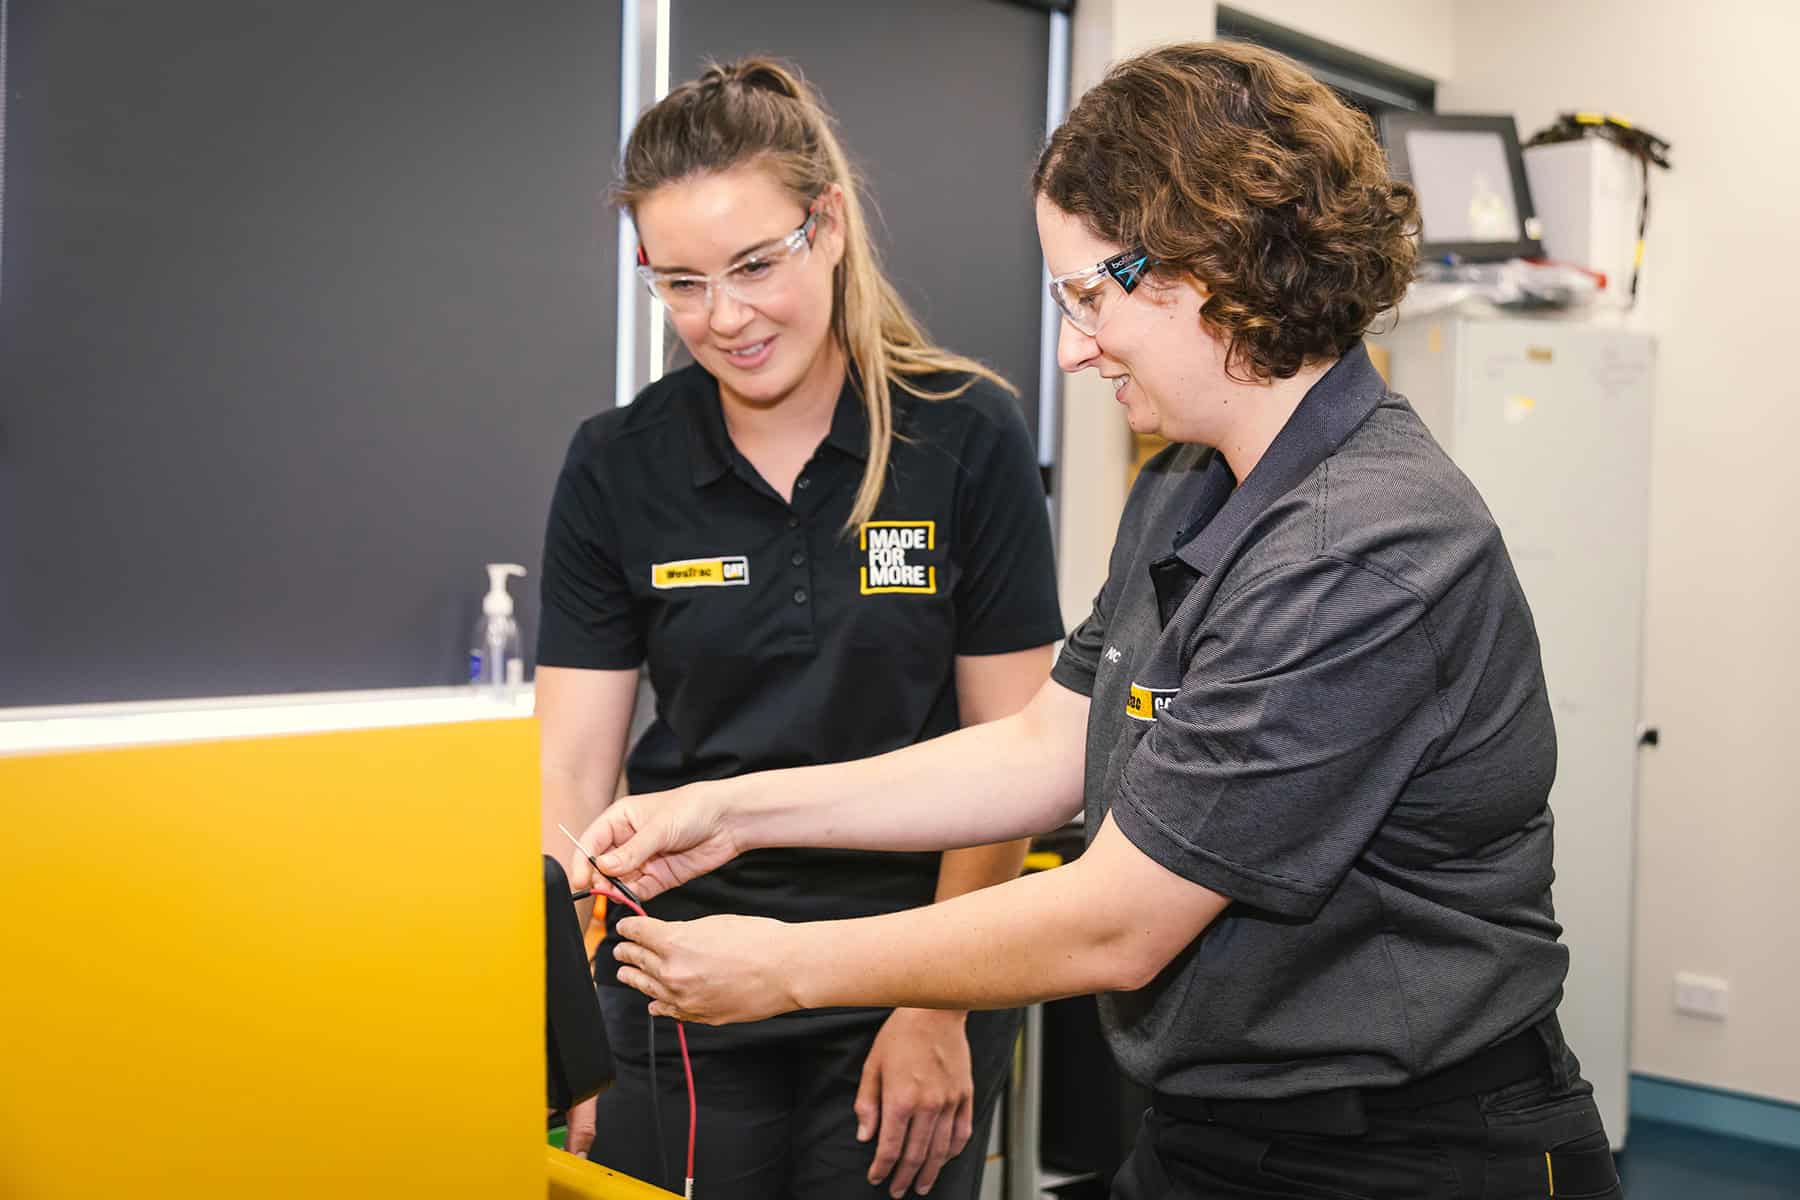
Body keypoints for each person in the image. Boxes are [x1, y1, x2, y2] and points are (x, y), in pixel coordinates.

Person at [572, 42, 1624, 1200]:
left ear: (1212, 264)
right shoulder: (1189, 483)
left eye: (1087, 296)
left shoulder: (1363, 548)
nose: (1071, 347)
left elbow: (1118, 920)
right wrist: (733, 812)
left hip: (1401, 1151)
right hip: (1213, 1124)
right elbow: (1044, 745)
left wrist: (785, 969)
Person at [535, 57, 1063, 1200]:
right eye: (679, 284)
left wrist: (940, 1007)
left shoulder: (964, 436)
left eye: (753, 266)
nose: (722, 318)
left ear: (824, 227)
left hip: (910, 964)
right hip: (680, 972)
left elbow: (1019, 759)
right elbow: (570, 776)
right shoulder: (617, 464)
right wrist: (560, 1016)